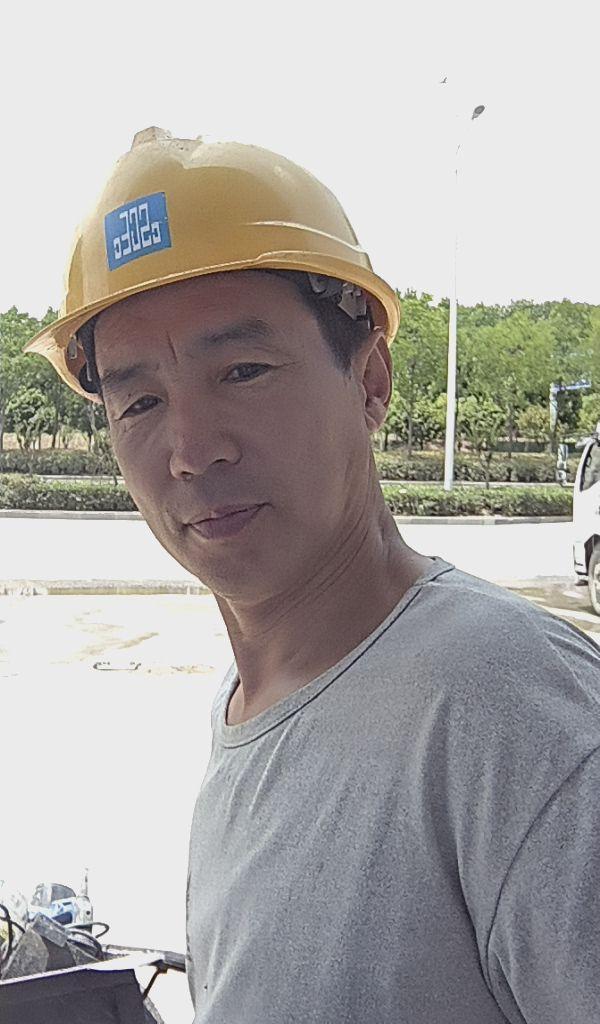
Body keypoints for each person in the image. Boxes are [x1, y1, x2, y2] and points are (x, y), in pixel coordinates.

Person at [25, 127, 600, 1024]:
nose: (191, 450)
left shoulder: (510, 712)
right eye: (140, 402)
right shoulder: (244, 708)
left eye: (242, 371)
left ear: (370, 380)